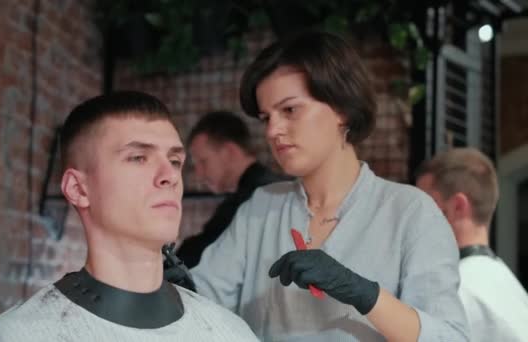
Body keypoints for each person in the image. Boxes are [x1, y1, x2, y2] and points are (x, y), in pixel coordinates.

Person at [189, 31, 469, 341]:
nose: (273, 130)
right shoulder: (261, 207)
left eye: (290, 110)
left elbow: (450, 337)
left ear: (342, 109)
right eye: (266, 117)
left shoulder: (410, 213)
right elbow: (202, 302)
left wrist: (364, 294)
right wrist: (170, 288)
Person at [0, 91, 259, 341]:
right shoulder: (18, 336)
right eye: (138, 158)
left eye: (174, 161)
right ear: (78, 188)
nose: (169, 175)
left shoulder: (231, 334)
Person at [416, 147, 528, 342]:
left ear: (458, 206)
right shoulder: (512, 288)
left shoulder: (453, 290)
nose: (416, 219)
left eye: (424, 204)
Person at [176, 111, 286, 268]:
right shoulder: (269, 187)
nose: (199, 174)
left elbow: (202, 253)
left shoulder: (254, 197)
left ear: (229, 151)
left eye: (203, 161)